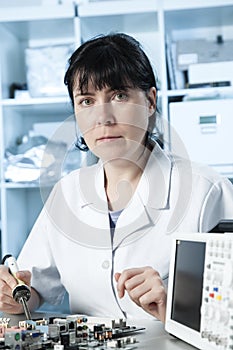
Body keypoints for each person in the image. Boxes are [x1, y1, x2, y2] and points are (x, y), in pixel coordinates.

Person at [0, 33, 233, 323]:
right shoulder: (67, 193)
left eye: (119, 96)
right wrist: (13, 294)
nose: (103, 117)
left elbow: (228, 315)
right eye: (86, 101)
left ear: (149, 102)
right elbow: (33, 288)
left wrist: (174, 307)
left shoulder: (207, 191)